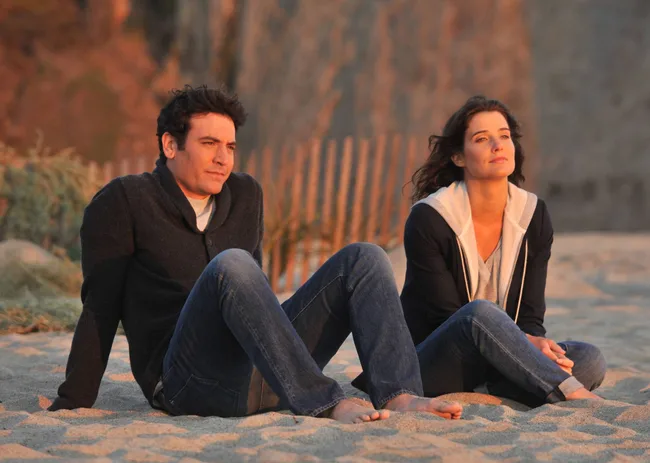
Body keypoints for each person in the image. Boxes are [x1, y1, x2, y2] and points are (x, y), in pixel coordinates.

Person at [48, 84, 462, 423]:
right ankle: (325, 402)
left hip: (267, 374)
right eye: (209, 143)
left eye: (230, 146)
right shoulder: (124, 200)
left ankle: (399, 394)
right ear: (170, 145)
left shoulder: (246, 193)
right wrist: (73, 399)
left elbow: (255, 301)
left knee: (364, 258)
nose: (222, 158)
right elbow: (100, 306)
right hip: (188, 383)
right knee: (232, 264)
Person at [354, 96, 606, 407]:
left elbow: (530, 316)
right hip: (431, 363)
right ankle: (565, 391)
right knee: (480, 313)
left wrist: (537, 344)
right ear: (459, 157)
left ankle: (510, 385)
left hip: (501, 358)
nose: (498, 146)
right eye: (482, 139)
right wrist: (525, 346)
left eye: (504, 136)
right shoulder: (430, 217)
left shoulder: (533, 214)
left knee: (590, 358)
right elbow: (448, 317)